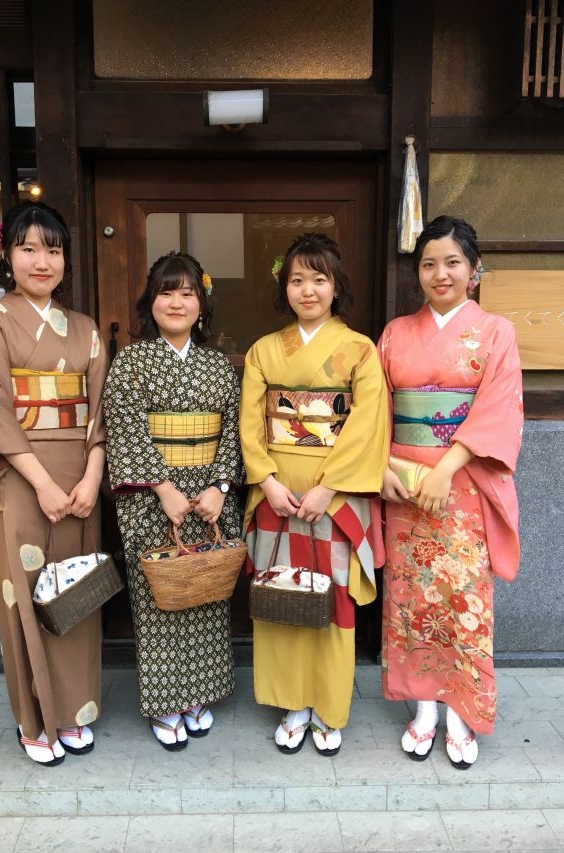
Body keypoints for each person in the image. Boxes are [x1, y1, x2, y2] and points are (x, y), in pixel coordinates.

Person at [0, 201, 108, 766]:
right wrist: (42, 483)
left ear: (65, 259)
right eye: (28, 249)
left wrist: (93, 475)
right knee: (24, 596)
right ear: (7, 255)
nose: (42, 261)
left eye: (53, 250)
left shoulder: (86, 330)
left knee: (77, 593)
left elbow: (101, 411)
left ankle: (73, 711)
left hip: (79, 477)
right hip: (17, 477)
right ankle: (35, 720)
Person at [377, 215, 523, 769]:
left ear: (474, 269)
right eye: (429, 264)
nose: (441, 274)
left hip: (462, 487)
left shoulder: (496, 332)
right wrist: (382, 468)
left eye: (452, 262)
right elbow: (376, 410)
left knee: (462, 600)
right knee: (411, 599)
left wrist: (446, 470)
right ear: (418, 273)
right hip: (403, 486)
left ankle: (461, 711)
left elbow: (498, 409)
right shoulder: (395, 333)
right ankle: (423, 708)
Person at [240, 233, 389, 756]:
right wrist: (266, 480)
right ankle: (292, 703)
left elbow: (367, 423)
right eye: (297, 279)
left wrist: (329, 486)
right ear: (284, 287)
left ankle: (327, 706)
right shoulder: (263, 350)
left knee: (331, 600)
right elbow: (251, 423)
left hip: (335, 495)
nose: (308, 290)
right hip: (277, 492)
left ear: (336, 286)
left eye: (319, 279)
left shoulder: (360, 349)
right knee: (280, 594)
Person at [103, 252, 242, 750]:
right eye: (167, 292)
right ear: (150, 301)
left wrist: (220, 487)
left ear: (202, 303)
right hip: (150, 497)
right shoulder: (131, 362)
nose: (177, 302)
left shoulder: (218, 365)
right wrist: (163, 488)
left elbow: (234, 430)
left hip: (209, 495)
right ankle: (165, 703)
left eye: (188, 293)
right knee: (158, 597)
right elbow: (125, 427)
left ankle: (199, 694)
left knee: (205, 591)